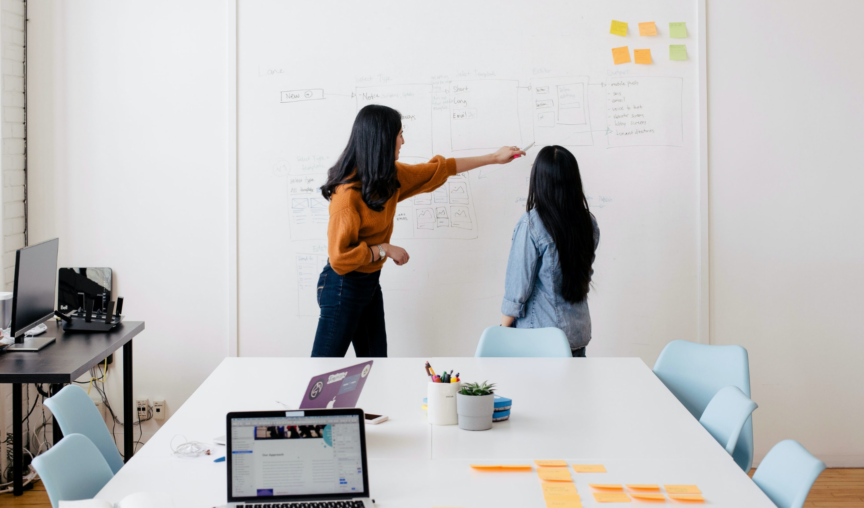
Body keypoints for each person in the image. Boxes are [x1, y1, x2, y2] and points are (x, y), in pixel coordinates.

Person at [312, 104, 524, 357]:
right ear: (382, 139)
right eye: (399, 134)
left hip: (368, 283)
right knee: (323, 370)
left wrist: (494, 158)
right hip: (341, 286)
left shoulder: (388, 177)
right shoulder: (346, 196)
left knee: (377, 366)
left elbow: (439, 169)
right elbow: (339, 259)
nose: (403, 141)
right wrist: (384, 249)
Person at [500, 145, 599, 357]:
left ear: (540, 179)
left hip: (539, 339)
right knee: (572, 391)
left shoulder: (532, 224)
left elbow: (518, 289)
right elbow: (584, 276)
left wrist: (502, 330)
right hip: (577, 335)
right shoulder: (587, 222)